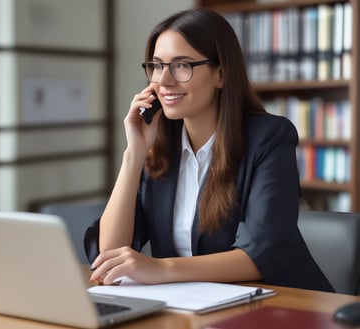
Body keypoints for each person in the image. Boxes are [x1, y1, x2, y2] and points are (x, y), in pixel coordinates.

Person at [86, 8, 334, 292]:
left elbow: (262, 254)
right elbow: (110, 254)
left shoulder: (270, 138)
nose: (163, 80)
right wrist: (134, 154)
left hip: (280, 305)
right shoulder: (158, 146)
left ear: (221, 74)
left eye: (181, 65)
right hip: (191, 307)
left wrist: (159, 267)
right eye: (156, 66)